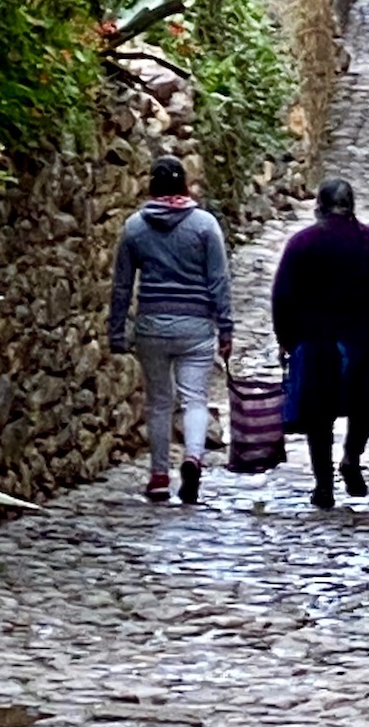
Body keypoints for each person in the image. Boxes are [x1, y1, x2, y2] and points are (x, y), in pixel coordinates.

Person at [271, 178, 369, 509]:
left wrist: (286, 338)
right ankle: (352, 456)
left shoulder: (302, 243)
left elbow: (282, 295)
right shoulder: (368, 239)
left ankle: (324, 485)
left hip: (316, 339)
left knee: (318, 414)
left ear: (319, 207)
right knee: (363, 404)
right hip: (363, 335)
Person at [109, 154, 233, 504]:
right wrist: (225, 328)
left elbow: (121, 286)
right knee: (195, 399)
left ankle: (159, 476)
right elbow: (218, 281)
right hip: (196, 326)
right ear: (184, 186)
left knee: (159, 403)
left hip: (152, 326)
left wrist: (116, 332)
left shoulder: (135, 227)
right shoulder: (205, 225)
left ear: (152, 186)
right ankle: (193, 457)